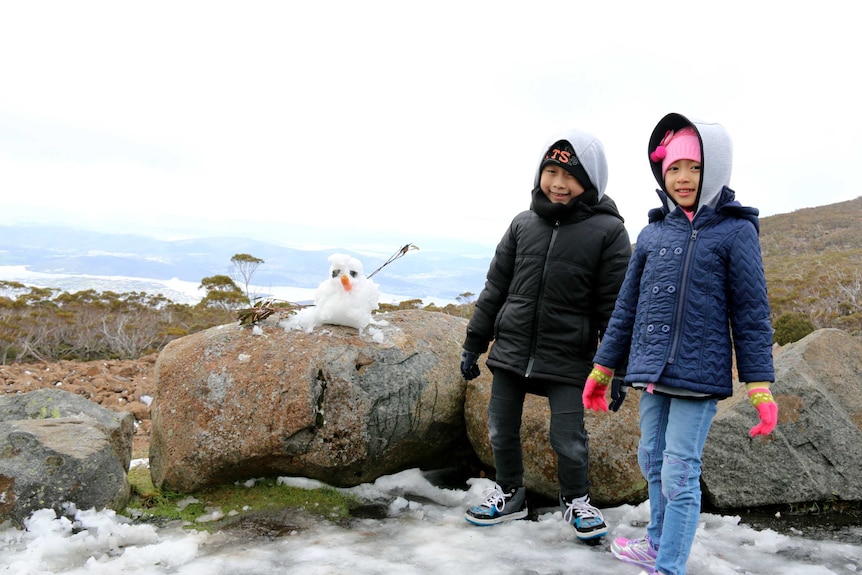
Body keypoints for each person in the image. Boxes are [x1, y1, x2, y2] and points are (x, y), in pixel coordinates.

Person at [582, 112, 778, 575]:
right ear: (661, 173)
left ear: (716, 168)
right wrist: (602, 368)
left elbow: (751, 313)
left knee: (679, 473)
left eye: (694, 166)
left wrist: (760, 383)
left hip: (699, 375)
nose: (684, 177)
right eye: (674, 168)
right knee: (651, 459)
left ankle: (669, 565)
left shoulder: (736, 232)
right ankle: (656, 544)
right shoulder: (653, 233)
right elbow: (626, 308)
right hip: (650, 372)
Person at [459, 127, 631, 543]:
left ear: (590, 182)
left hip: (569, 356)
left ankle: (575, 500)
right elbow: (495, 290)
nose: (558, 182)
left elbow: (616, 309)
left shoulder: (608, 233)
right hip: (512, 349)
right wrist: (473, 343)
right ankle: (509, 491)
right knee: (500, 427)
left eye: (570, 175)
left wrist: (618, 368)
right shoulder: (522, 224)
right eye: (551, 170)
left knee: (568, 437)